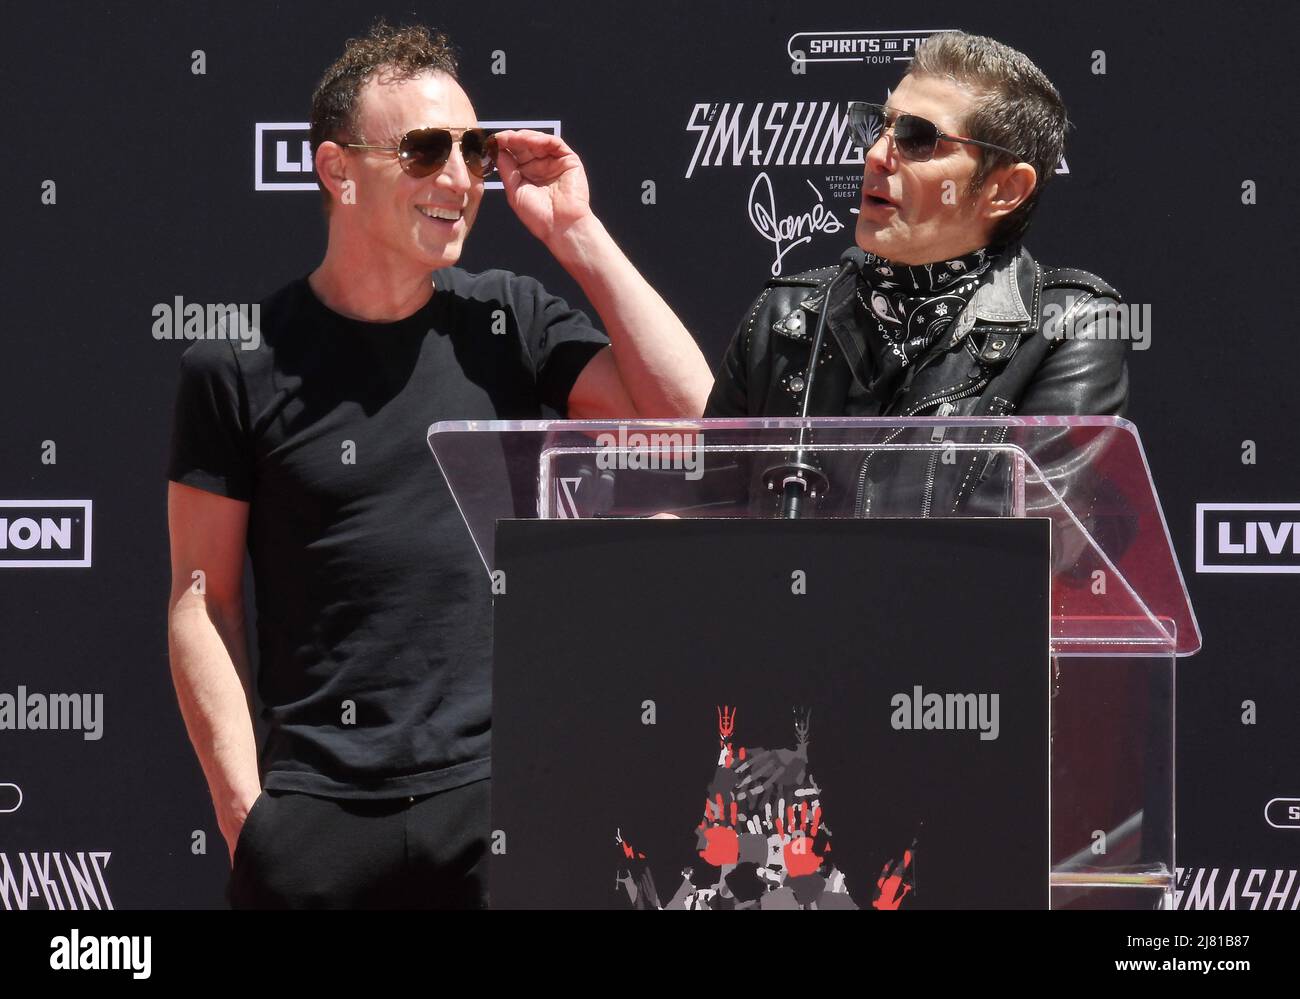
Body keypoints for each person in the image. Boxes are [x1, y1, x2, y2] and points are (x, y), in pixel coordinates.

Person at [165, 21, 711, 909]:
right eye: (425, 151)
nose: (458, 178)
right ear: (338, 171)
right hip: (314, 818)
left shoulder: (508, 320)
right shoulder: (237, 366)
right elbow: (203, 598)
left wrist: (577, 232)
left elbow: (694, 425)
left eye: (474, 150)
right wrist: (246, 815)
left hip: (498, 806)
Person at [705, 31, 1130, 518]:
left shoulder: (1070, 324)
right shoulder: (785, 315)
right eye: (878, 127)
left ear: (1005, 188)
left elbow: (1026, 550)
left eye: (917, 138)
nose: (875, 156)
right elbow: (706, 517)